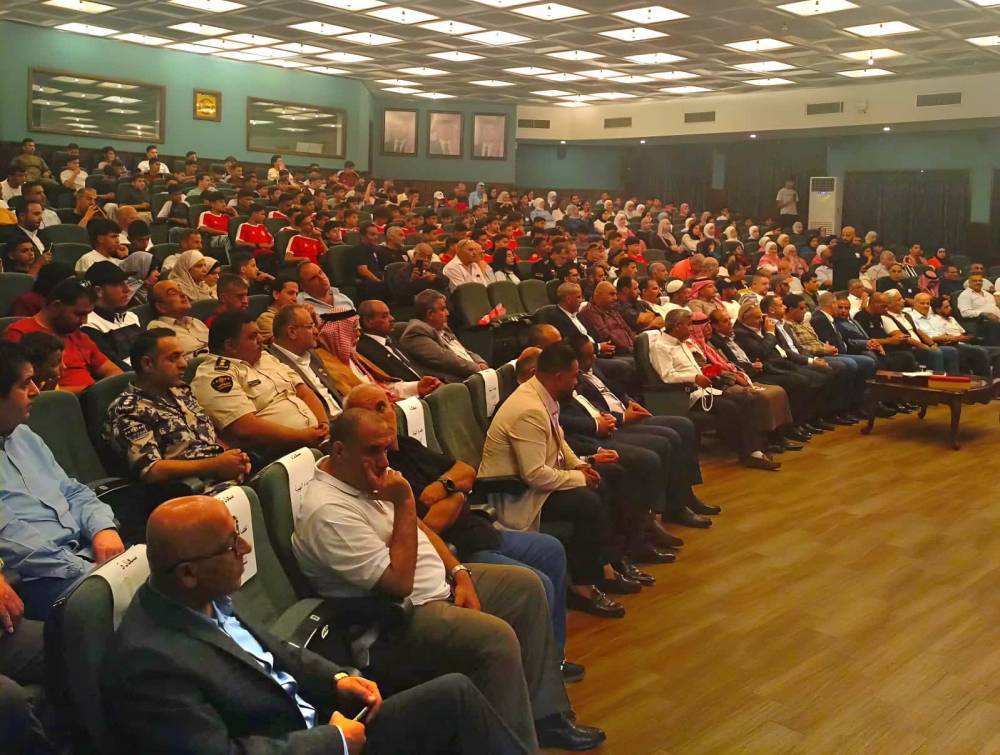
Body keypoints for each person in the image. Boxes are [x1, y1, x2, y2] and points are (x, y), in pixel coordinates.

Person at [104, 495, 522, 755]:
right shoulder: (150, 661)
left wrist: (337, 679)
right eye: (231, 545)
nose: (245, 548)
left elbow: (274, 651)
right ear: (188, 573)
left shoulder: (200, 598)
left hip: (323, 724)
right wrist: (331, 743)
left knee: (454, 696)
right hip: (312, 742)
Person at [292, 408, 604, 752]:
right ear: (339, 450)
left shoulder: (362, 477)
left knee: (526, 587)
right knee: (495, 637)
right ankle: (514, 746)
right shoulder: (328, 512)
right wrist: (405, 501)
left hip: (438, 588)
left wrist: (459, 572)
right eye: (373, 451)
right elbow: (398, 584)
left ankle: (546, 719)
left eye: (385, 449)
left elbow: (420, 531)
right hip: (395, 621)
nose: (384, 461)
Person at [342, 385, 579, 679]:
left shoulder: (406, 446)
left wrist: (444, 487)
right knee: (536, 584)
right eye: (370, 411)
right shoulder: (379, 471)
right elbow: (432, 523)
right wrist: (457, 492)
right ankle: (534, 674)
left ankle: (554, 659)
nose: (383, 416)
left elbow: (465, 470)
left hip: (480, 529)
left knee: (551, 549)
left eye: (384, 406)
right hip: (458, 548)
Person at [479, 343, 628, 619]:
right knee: (586, 501)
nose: (576, 382)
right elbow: (534, 474)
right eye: (573, 377)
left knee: (602, 481)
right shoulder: (529, 409)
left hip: (536, 486)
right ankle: (582, 586)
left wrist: (580, 465)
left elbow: (559, 440)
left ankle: (605, 565)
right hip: (517, 495)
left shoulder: (544, 395)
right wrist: (578, 478)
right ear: (558, 377)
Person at [0, 341, 125, 619]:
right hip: (40, 577)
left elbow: (72, 491)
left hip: (87, 552)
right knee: (139, 606)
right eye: (25, 384)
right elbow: (12, 541)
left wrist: (102, 529)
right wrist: (87, 569)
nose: (36, 391)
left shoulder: (24, 435)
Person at [103, 329, 250, 486]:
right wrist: (216, 465)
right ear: (148, 364)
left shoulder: (180, 390)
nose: (184, 364)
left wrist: (234, 458)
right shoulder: (128, 410)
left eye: (182, 356)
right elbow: (151, 470)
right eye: (173, 358)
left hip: (222, 476)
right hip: (191, 489)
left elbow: (208, 434)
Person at [650, 309, 780, 471]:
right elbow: (667, 376)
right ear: (677, 326)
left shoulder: (683, 342)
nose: (691, 329)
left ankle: (757, 449)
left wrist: (708, 373)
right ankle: (747, 453)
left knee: (746, 400)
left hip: (704, 389)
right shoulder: (661, 347)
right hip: (685, 395)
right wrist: (694, 378)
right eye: (688, 325)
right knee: (730, 407)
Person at [191, 311, 329, 459]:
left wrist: (323, 425)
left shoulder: (264, 357)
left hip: (314, 440)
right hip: (276, 455)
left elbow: (303, 391)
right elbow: (245, 427)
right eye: (252, 336)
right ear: (230, 345)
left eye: (259, 334)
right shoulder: (214, 375)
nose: (261, 339)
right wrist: (302, 436)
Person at [4, 276, 122, 393]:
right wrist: (89, 391)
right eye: (79, 314)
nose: (84, 321)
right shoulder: (19, 334)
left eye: (87, 314)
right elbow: (24, 389)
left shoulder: (77, 334)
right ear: (56, 306)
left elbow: (113, 371)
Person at [268, 304, 345, 418]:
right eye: (310, 326)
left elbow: (333, 393)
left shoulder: (312, 354)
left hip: (342, 415)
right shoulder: (273, 364)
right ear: (292, 332)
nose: (316, 331)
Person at [398, 290, 487, 383]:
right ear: (430, 314)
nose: (447, 313)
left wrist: (480, 361)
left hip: (473, 373)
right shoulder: (416, 334)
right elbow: (448, 360)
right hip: (455, 382)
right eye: (443, 309)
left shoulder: (442, 327)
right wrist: (478, 369)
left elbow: (462, 350)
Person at [79, 262, 142, 371]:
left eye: (125, 282)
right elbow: (116, 368)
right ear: (98, 291)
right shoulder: (88, 325)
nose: (127, 289)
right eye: (118, 284)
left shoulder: (131, 316)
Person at [147, 279, 209, 358]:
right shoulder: (158, 328)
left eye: (180, 290)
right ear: (161, 307)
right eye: (173, 293)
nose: (183, 294)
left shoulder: (196, 321)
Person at [956, 274, 1000, 346]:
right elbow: (965, 312)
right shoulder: (965, 295)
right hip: (982, 322)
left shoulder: (987, 294)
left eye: (980, 281)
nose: (978, 283)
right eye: (975, 281)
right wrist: (983, 314)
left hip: (997, 319)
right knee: (995, 325)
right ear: (969, 283)